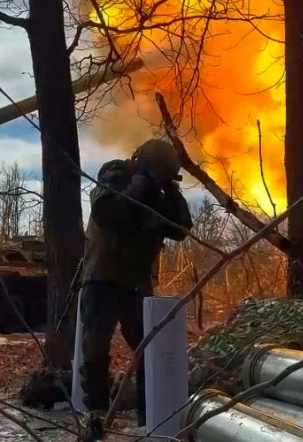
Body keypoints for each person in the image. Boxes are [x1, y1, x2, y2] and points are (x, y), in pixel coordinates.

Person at [78, 138, 194, 430]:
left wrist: (171, 189)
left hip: (136, 284)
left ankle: (148, 416)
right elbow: (107, 215)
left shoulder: (158, 195)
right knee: (96, 347)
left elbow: (181, 229)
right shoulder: (116, 176)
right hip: (103, 278)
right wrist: (141, 183)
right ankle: (97, 414)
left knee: (147, 351)